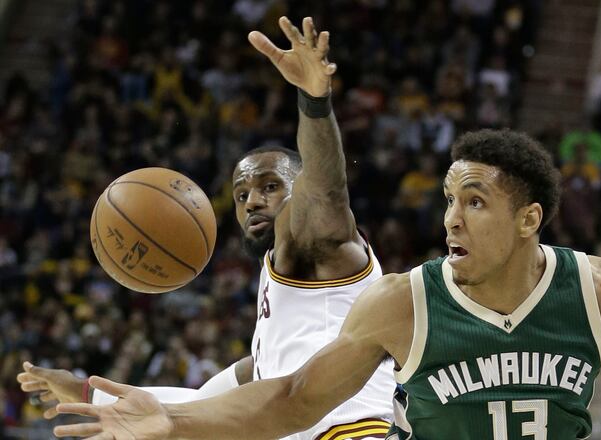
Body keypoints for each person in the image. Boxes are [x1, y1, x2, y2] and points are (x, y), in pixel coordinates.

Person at [51, 128, 601, 440]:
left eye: (474, 201)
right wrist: (172, 419)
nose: (450, 217)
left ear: (528, 218)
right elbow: (291, 398)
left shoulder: (598, 290)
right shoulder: (402, 302)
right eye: (448, 200)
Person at [19, 16, 394, 440]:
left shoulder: (318, 244)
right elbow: (201, 402)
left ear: (298, 189)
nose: (252, 199)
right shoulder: (280, 318)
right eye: (240, 194)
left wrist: (314, 101)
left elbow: (326, 188)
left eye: (270, 186)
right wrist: (89, 392)